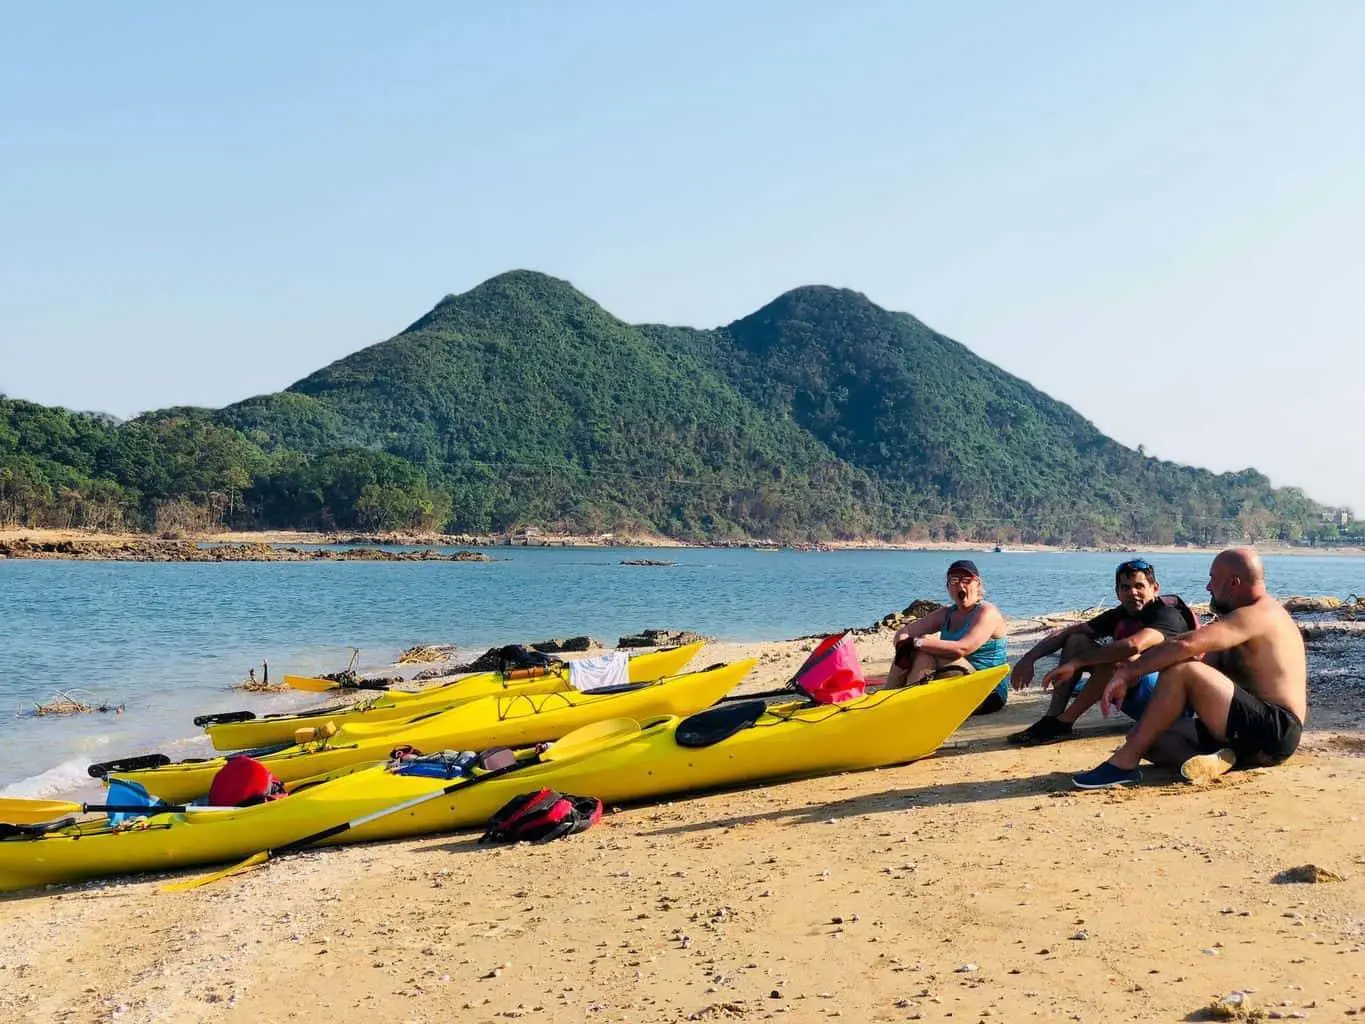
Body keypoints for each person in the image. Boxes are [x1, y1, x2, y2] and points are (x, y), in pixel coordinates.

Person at [1072, 548, 1308, 789]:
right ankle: (1222, 760)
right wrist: (1142, 670)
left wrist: (1130, 672)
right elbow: (1201, 670)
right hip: (1241, 730)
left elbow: (1185, 645)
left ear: (1233, 583)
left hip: (1275, 730)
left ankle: (1123, 764)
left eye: (1212, 579)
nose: (1208, 587)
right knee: (1146, 736)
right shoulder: (1235, 621)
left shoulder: (1261, 613)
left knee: (1182, 672)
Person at [1007, 558, 1197, 746]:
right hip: (1135, 696)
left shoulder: (1168, 614)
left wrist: (1076, 663)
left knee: (1122, 658)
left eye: (1139, 586)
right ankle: (1052, 718)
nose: (1133, 593)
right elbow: (1070, 631)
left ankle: (1064, 722)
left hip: (1171, 703)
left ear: (1155, 588)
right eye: (1125, 587)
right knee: (1077, 641)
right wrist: (1029, 658)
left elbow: (1133, 645)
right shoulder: (1121, 613)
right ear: (1117, 593)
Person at [887, 559, 1010, 714]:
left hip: (987, 694)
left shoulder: (987, 613)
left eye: (967, 580)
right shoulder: (947, 613)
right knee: (913, 648)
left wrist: (918, 642)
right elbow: (903, 633)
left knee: (924, 648)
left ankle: (905, 704)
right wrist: (904, 645)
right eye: (954, 580)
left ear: (977, 584)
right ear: (948, 587)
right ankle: (890, 697)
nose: (960, 585)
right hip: (957, 684)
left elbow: (961, 649)